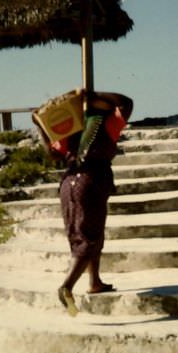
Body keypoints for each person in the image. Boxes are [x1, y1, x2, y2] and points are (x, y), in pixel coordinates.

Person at [33, 89, 134, 316]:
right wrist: (94, 93)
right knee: (89, 237)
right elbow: (127, 102)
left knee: (86, 234)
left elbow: (53, 154)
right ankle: (67, 286)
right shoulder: (107, 123)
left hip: (68, 183)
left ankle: (95, 281)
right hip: (91, 181)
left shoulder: (71, 128)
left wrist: (41, 127)